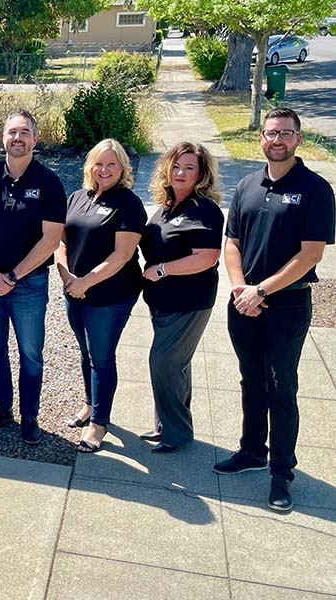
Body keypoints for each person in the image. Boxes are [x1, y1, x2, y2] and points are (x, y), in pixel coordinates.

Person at [214, 108, 335, 512]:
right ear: (261, 139)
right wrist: (239, 289)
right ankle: (252, 451)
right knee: (251, 380)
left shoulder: (316, 189)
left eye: (286, 133)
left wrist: (261, 290)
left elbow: (310, 255)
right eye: (271, 133)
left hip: (286, 305)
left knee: (282, 387)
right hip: (243, 302)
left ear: (299, 139)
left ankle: (281, 473)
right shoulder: (247, 184)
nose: (277, 140)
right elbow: (231, 242)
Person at [0, 109, 67, 444]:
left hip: (30, 285)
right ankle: (2, 407)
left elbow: (51, 239)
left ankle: (30, 415)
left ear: (35, 139)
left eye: (24, 132)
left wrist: (12, 275)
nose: (18, 138)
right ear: (3, 138)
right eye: (12, 132)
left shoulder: (49, 183)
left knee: (30, 353)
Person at [55, 138, 146, 453]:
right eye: (99, 163)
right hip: (74, 290)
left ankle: (99, 424)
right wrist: (67, 276)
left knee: (101, 358)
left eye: (112, 164)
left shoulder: (129, 204)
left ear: (122, 168)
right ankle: (89, 404)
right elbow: (61, 241)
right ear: (89, 166)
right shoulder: (77, 197)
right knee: (86, 353)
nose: (104, 170)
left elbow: (121, 255)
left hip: (110, 294)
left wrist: (86, 282)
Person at [140, 143, 224, 453]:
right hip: (162, 301)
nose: (180, 172)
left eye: (189, 168)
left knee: (163, 363)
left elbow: (206, 258)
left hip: (190, 302)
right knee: (177, 366)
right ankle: (168, 425)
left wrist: (161, 270)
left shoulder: (205, 210)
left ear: (201, 175)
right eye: (176, 166)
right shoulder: (167, 206)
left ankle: (176, 434)